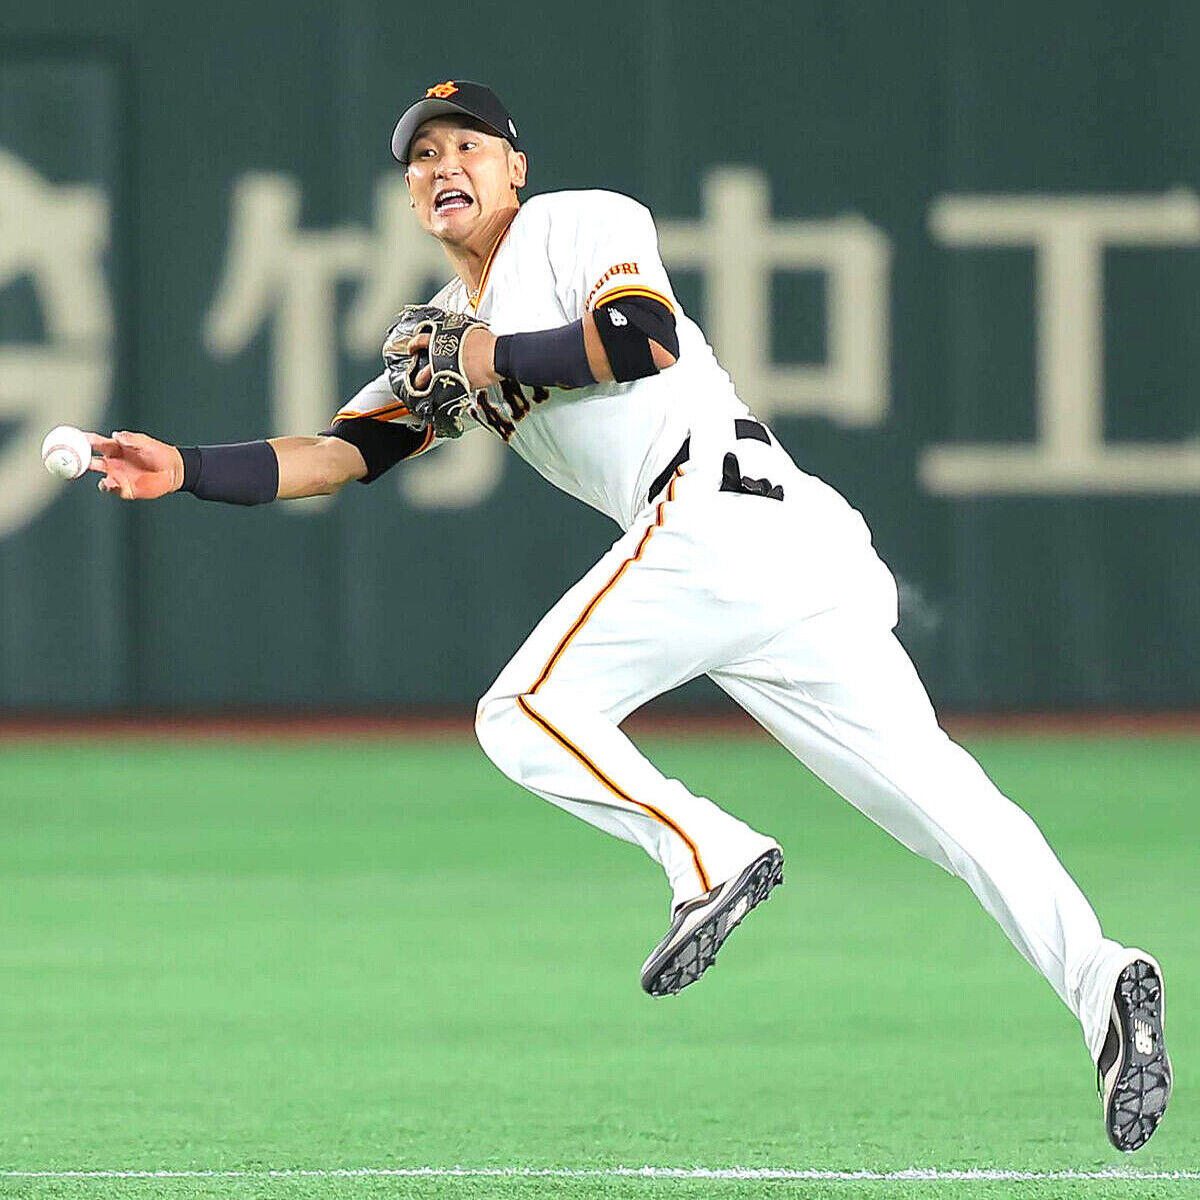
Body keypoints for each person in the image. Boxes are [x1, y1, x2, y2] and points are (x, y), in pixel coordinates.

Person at [87, 81, 1171, 1153]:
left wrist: (488, 359)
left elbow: (641, 334)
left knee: (520, 714)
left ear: (516, 168)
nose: (444, 165)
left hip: (719, 512)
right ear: (410, 196)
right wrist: (183, 467)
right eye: (422, 157)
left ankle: (707, 850)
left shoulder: (574, 226)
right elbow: (340, 454)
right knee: (944, 800)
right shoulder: (446, 336)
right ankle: (1102, 977)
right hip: (775, 554)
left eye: (468, 145)